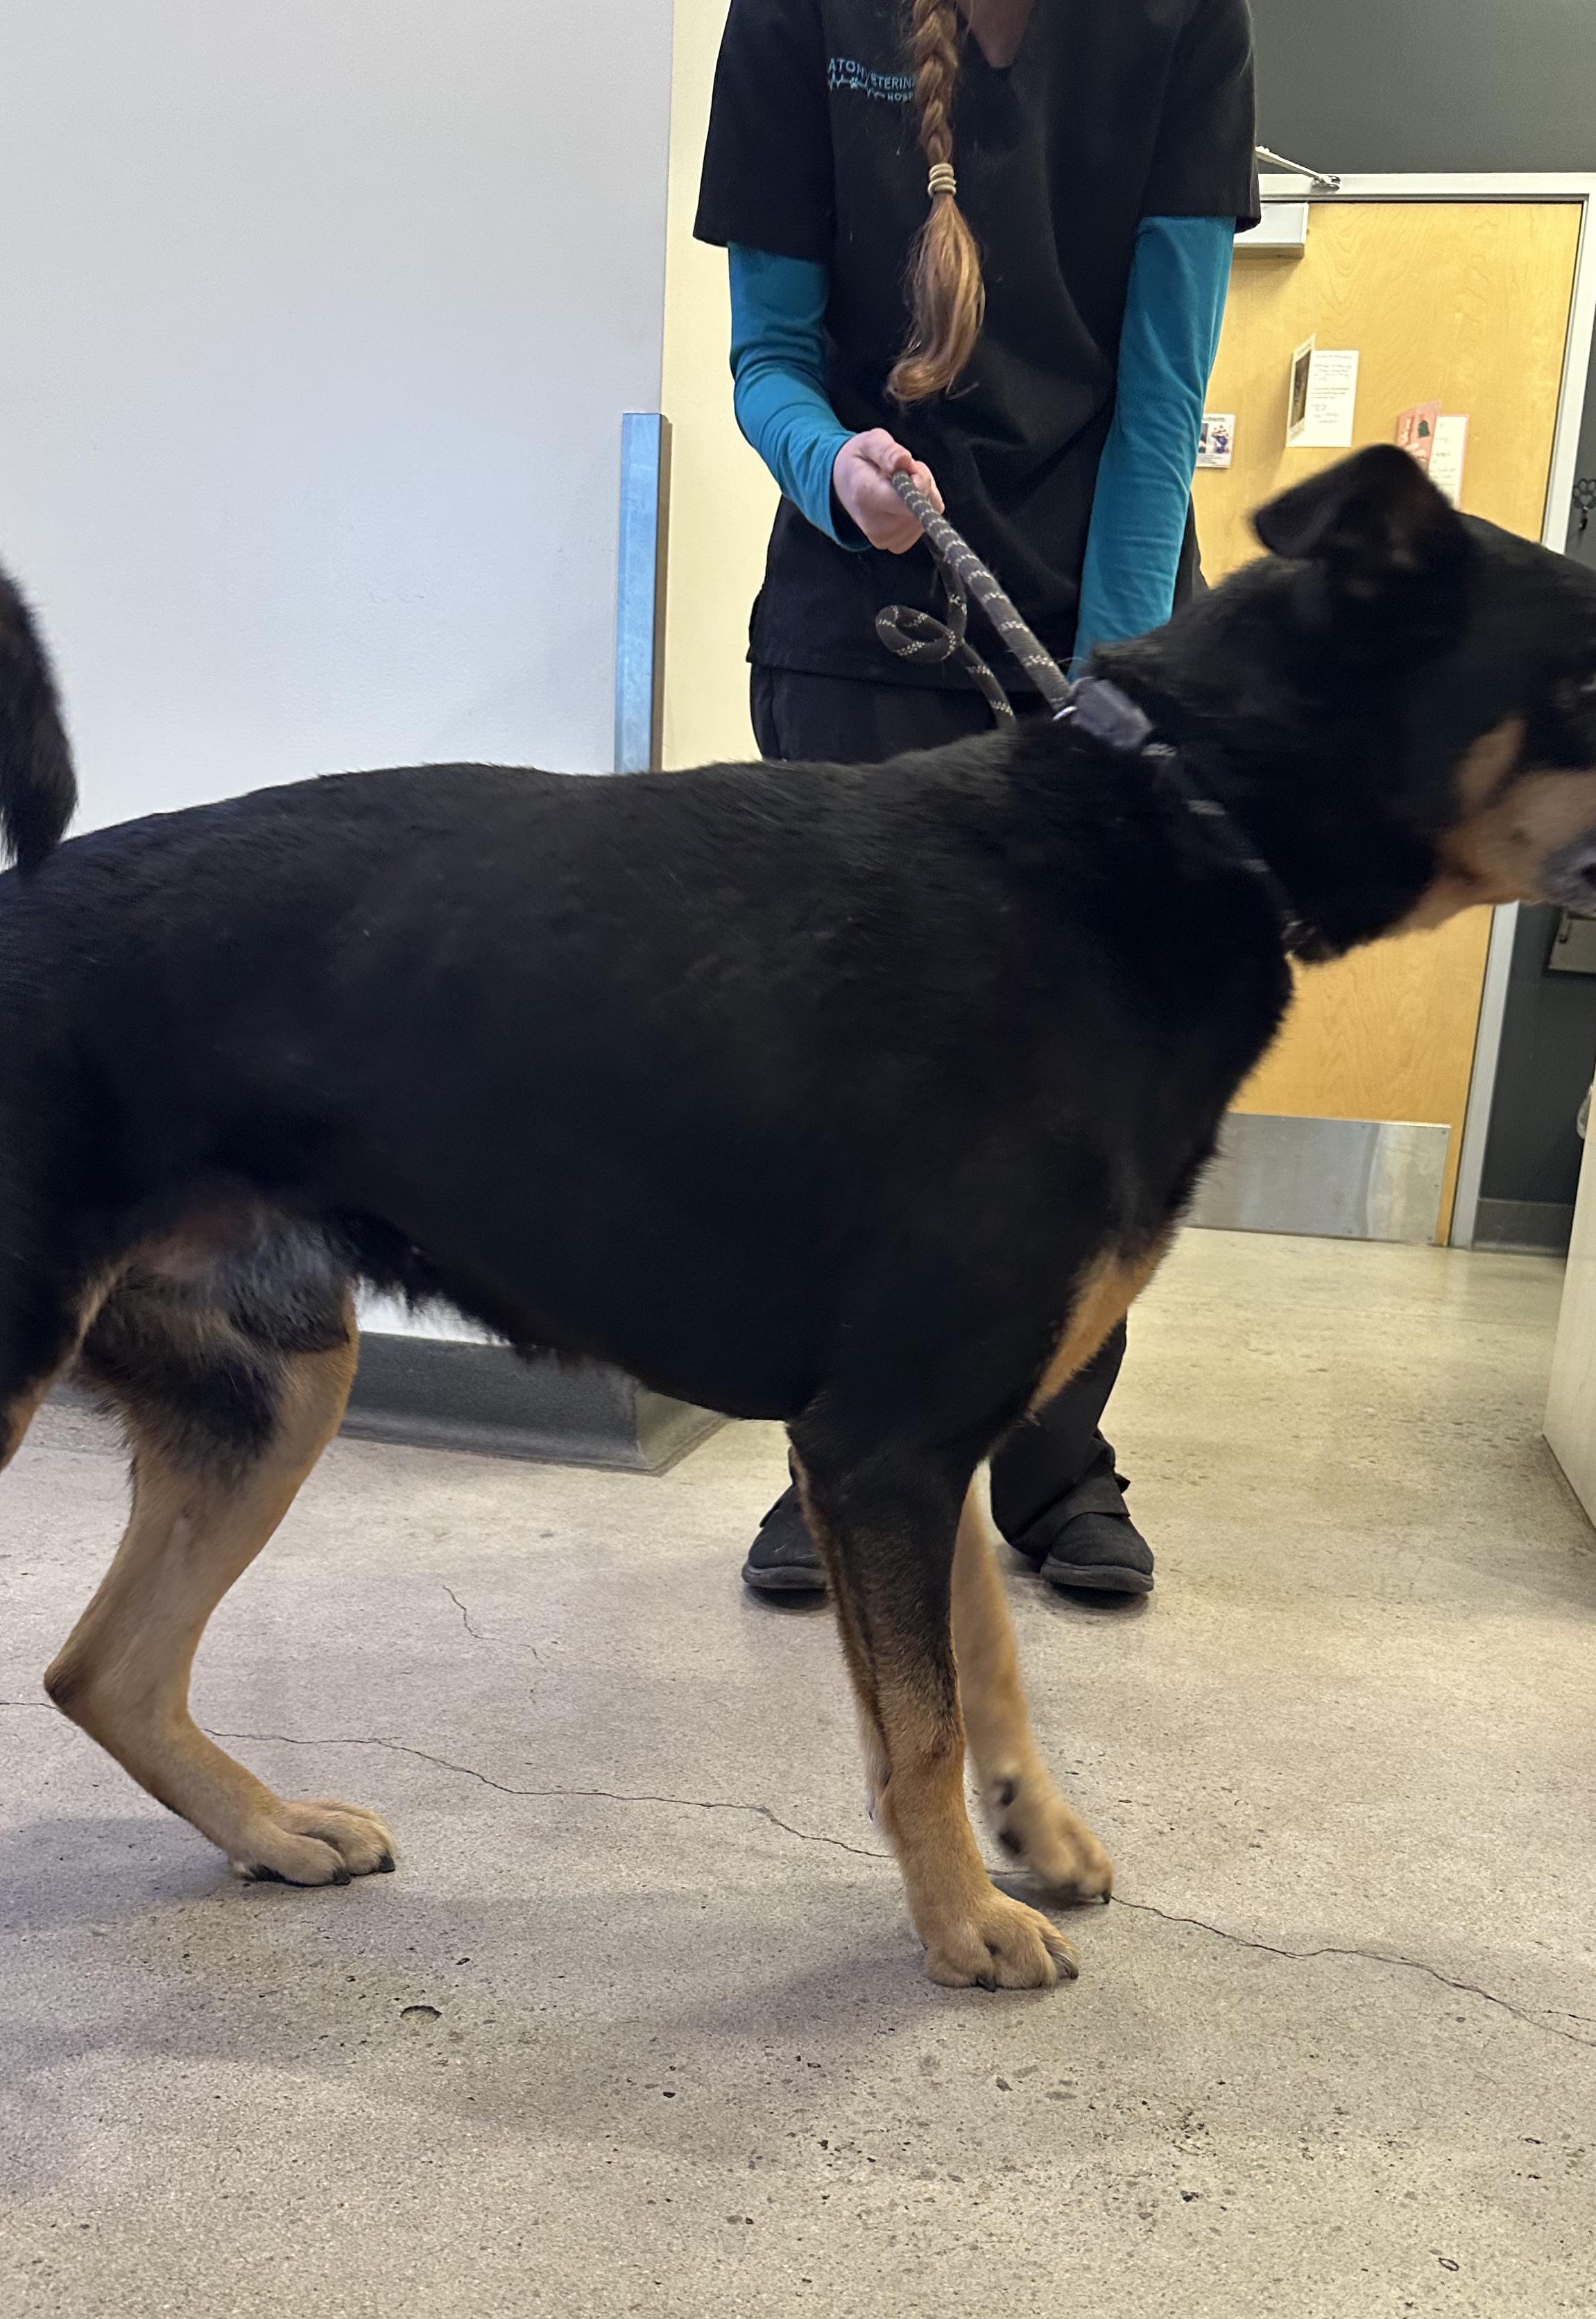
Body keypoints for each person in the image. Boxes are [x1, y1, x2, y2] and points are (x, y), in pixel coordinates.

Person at [696, 0, 1259, 1601]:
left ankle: (1054, 1466)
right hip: (858, 615)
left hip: (1108, 606)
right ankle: (840, 1459)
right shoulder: (800, 22)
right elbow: (769, 361)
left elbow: (1163, 395)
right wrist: (830, 470)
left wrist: (1118, 682)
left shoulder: (1181, 25)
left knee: (1086, 1080)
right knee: (851, 1075)